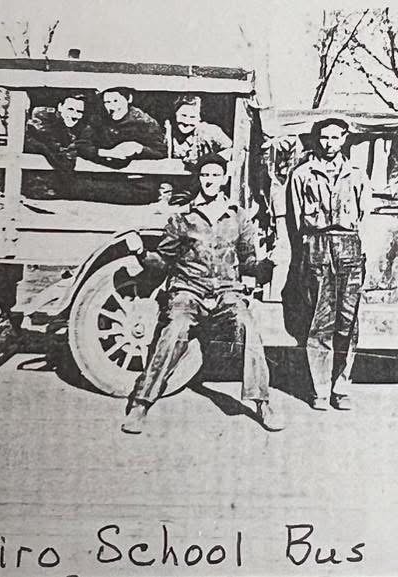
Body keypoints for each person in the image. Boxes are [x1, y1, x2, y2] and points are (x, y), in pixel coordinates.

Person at [121, 153, 283, 434]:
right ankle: (141, 404)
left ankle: (262, 403)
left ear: (224, 179)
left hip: (225, 293)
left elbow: (247, 262)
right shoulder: (183, 217)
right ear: (200, 179)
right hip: (189, 291)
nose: (210, 181)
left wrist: (267, 264)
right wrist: (140, 253)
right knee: (175, 330)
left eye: (215, 175)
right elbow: (164, 260)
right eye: (205, 175)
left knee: (248, 328)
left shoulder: (238, 217)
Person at [284, 118, 370, 411]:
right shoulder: (302, 174)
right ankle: (320, 389)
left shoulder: (357, 175)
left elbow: (363, 214)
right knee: (319, 322)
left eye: (334, 138)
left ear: (344, 139)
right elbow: (295, 221)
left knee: (348, 322)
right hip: (316, 246)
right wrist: (309, 248)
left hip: (348, 246)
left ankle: (341, 387)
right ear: (316, 139)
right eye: (323, 138)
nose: (328, 143)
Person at [76, 87, 166, 169]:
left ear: (129, 99)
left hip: (136, 176)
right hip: (102, 172)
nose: (112, 107)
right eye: (107, 102)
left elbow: (161, 153)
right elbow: (81, 145)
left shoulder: (145, 122)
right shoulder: (98, 119)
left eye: (116, 101)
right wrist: (109, 153)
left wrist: (139, 148)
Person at [23, 93, 86, 197]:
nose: (75, 115)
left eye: (79, 111)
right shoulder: (43, 114)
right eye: (70, 109)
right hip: (33, 150)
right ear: (60, 107)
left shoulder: (75, 124)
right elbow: (47, 138)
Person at [169, 95, 232, 168]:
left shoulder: (210, 131)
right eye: (183, 115)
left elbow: (231, 149)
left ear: (199, 118)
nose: (187, 122)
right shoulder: (169, 132)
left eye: (192, 117)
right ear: (176, 114)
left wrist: (213, 161)